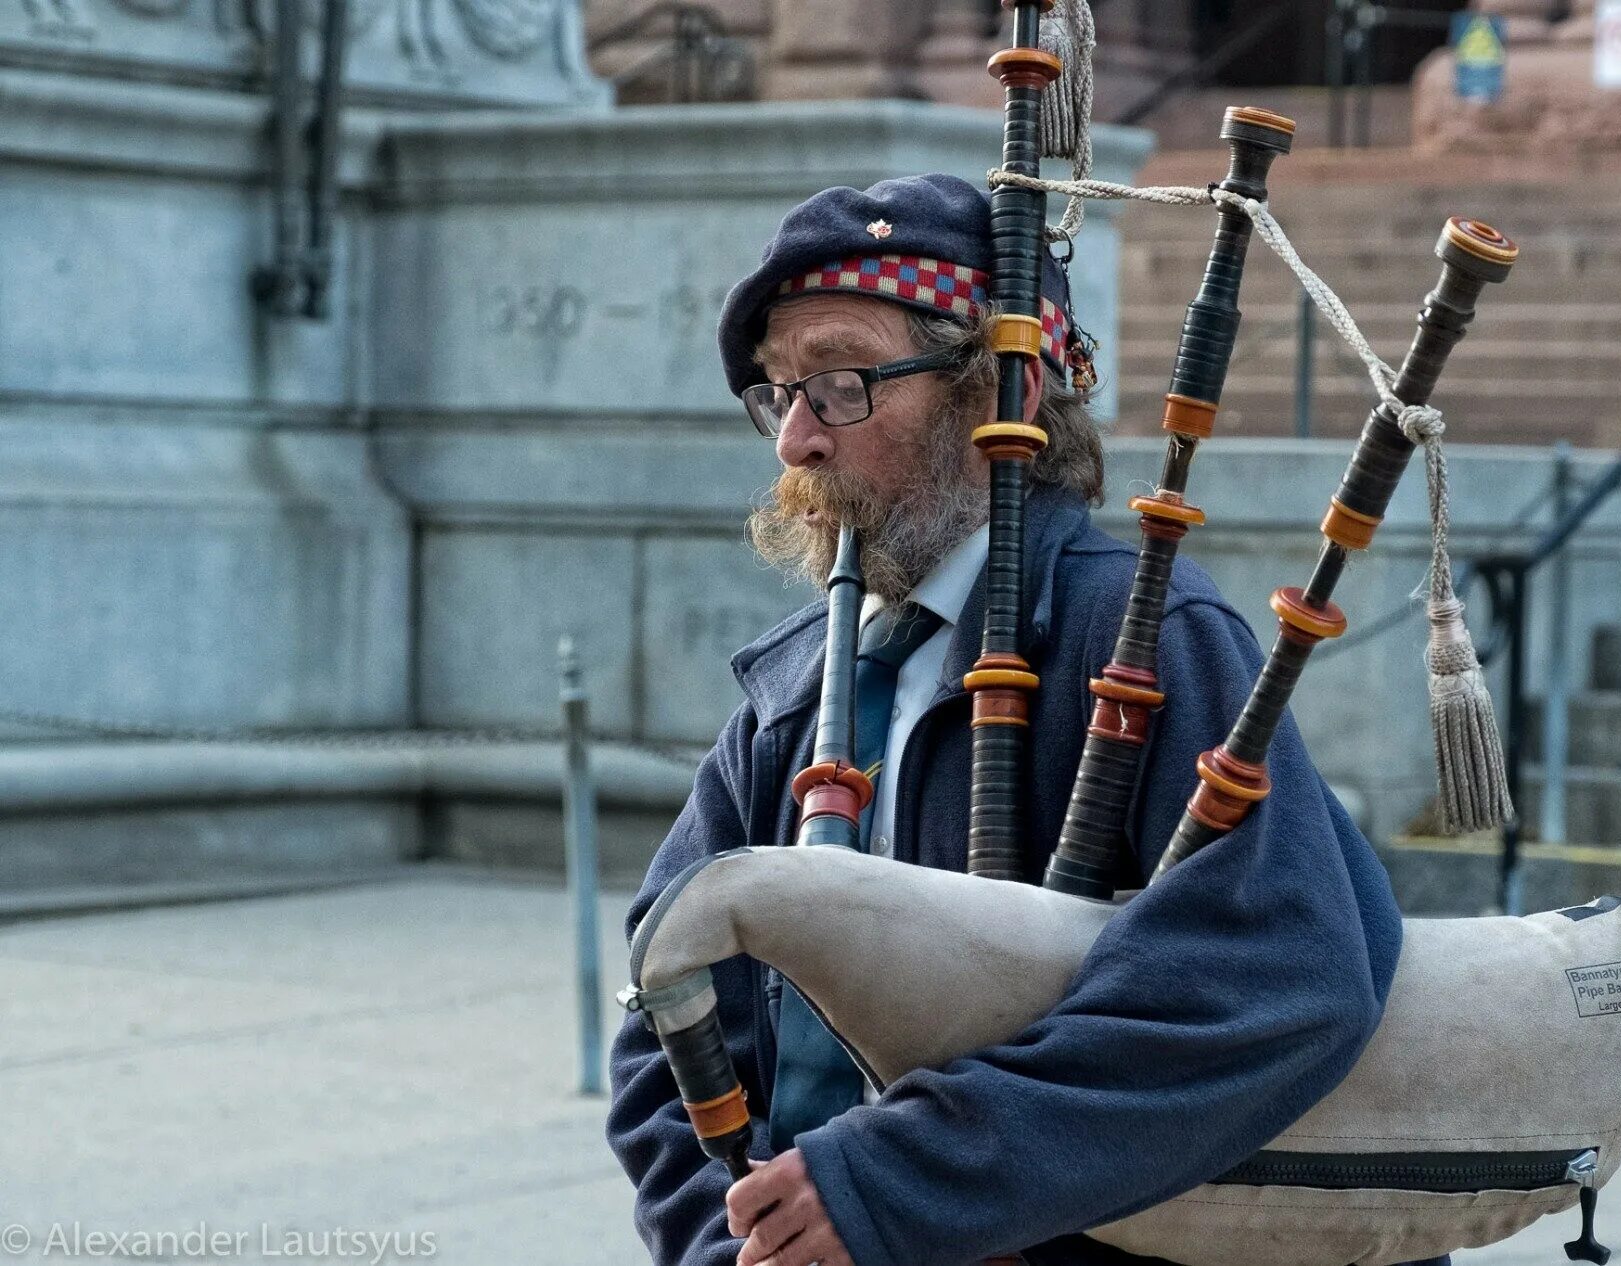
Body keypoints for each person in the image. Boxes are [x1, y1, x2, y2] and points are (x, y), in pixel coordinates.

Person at [606, 172, 1447, 1266]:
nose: (796, 442)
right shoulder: (792, 695)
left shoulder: (1139, 634)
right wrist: (734, 1242)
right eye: (779, 393)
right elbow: (662, 1010)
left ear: (992, 393)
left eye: (842, 382)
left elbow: (1281, 971)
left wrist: (896, 1187)